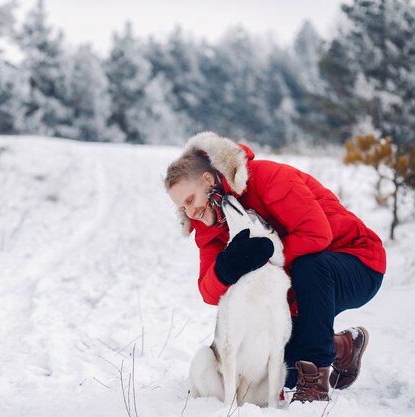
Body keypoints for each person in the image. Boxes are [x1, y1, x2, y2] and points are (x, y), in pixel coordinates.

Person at [165, 132, 385, 403]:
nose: (189, 212)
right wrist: (227, 268)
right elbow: (209, 292)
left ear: (208, 180)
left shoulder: (268, 178)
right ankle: (342, 346)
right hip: (299, 287)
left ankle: (315, 381)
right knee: (281, 369)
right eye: (181, 207)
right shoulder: (208, 224)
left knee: (310, 265)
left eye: (189, 200)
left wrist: (267, 256)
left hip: (356, 261)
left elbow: (318, 235)